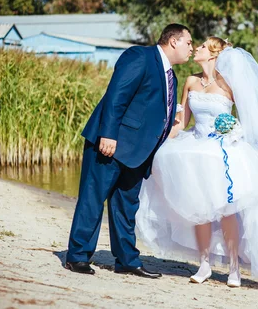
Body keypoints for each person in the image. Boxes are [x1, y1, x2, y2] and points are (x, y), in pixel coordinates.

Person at [136, 37, 258, 288]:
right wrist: (159, 144)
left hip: (224, 151)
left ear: (213, 54)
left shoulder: (229, 85)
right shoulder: (191, 82)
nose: (196, 49)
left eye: (201, 47)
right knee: (199, 210)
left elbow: (252, 117)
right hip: (196, 149)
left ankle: (234, 267)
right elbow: (181, 122)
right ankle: (204, 265)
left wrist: (236, 130)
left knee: (227, 212)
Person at [65, 24, 193, 277]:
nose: (191, 47)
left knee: (126, 206)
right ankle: (77, 256)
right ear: (174, 41)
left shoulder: (171, 74)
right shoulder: (140, 57)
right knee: (93, 199)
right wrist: (108, 134)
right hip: (111, 143)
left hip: (138, 152)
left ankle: (127, 261)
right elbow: (117, 95)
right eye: (189, 42)